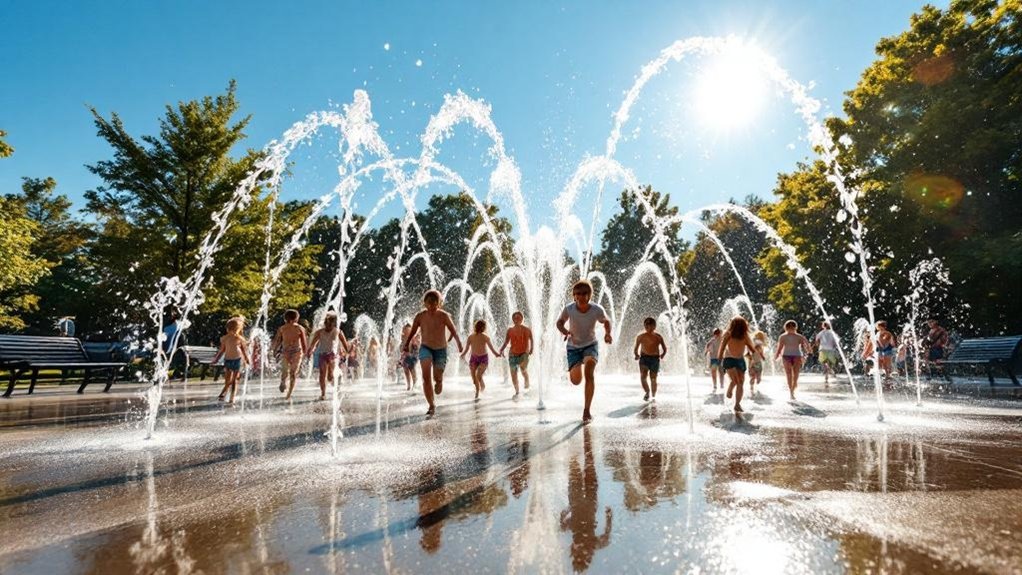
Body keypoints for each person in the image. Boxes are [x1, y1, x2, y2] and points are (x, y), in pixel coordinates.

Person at [556, 279, 612, 424]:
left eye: (585, 294)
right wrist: (565, 331)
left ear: (590, 295)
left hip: (590, 345)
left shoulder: (596, 309)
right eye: (578, 294)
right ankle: (577, 365)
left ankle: (587, 410)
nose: (581, 296)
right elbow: (559, 322)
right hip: (573, 347)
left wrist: (607, 334)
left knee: (589, 373)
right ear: (574, 296)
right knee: (576, 381)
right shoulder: (569, 309)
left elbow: (605, 321)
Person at [404, 290, 463, 417]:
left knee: (437, 376)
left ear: (439, 303)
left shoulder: (444, 315)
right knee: (426, 376)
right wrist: (406, 344)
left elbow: (453, 330)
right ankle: (431, 404)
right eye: (428, 304)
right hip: (425, 348)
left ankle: (439, 381)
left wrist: (459, 343)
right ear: (424, 303)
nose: (431, 307)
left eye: (434, 304)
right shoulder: (420, 316)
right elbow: (413, 331)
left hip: (441, 350)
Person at [307, 312, 350, 401]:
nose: (329, 326)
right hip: (322, 355)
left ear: (334, 323)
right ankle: (323, 394)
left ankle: (338, 385)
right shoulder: (319, 332)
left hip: (333, 355)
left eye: (331, 324)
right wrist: (310, 351)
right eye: (327, 324)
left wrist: (347, 351)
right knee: (322, 374)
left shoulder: (338, 331)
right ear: (325, 323)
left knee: (331, 376)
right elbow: (313, 343)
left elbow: (344, 342)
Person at [718, 316, 757, 413]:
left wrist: (755, 358)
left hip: (740, 360)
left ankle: (737, 404)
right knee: (737, 380)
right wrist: (720, 360)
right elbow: (722, 347)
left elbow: (752, 349)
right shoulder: (728, 335)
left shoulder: (745, 336)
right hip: (729, 359)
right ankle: (731, 388)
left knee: (741, 382)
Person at [271, 309, 308, 400]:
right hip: (286, 352)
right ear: (296, 318)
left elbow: (303, 341)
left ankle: (289, 393)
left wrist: (305, 352)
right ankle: (283, 381)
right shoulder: (283, 328)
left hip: (297, 352)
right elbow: (278, 340)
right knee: (286, 372)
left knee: (292, 372)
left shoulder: (299, 328)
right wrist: (274, 350)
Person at [461, 319, 502, 400]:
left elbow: (491, 348)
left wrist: (496, 354)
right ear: (475, 326)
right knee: (474, 378)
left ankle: (478, 392)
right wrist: (463, 354)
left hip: (483, 358)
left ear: (484, 327)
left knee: (478, 375)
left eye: (481, 326)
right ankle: (479, 389)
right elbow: (466, 348)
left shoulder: (485, 337)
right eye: (478, 326)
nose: (480, 328)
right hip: (474, 358)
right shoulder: (471, 337)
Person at [213, 317, 250, 403]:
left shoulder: (235, 338)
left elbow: (222, 350)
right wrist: (246, 359)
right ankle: (228, 395)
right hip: (232, 360)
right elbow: (222, 350)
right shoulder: (230, 338)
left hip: (233, 360)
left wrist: (216, 359)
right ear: (238, 328)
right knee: (232, 380)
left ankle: (229, 396)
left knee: (231, 380)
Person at [498, 311, 534, 399]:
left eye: (518, 318)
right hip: (513, 355)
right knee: (513, 373)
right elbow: (506, 341)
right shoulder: (510, 330)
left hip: (524, 354)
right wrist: (501, 349)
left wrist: (532, 348)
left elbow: (531, 339)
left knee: (522, 368)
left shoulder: (526, 329)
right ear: (513, 319)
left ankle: (526, 379)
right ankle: (517, 391)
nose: (516, 319)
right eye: (515, 318)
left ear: (522, 319)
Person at [775, 320, 812, 401]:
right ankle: (791, 392)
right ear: (786, 327)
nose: (791, 328)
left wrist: (808, 352)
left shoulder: (799, 336)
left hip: (796, 356)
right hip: (786, 356)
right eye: (789, 327)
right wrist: (776, 355)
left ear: (795, 327)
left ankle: (793, 387)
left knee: (795, 374)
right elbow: (779, 347)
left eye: (792, 327)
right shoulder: (783, 337)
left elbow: (806, 345)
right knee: (788, 374)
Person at [632, 317, 667, 402]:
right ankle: (647, 392)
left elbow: (664, 348)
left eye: (651, 326)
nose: (649, 328)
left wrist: (662, 354)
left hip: (655, 359)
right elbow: (636, 348)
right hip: (644, 358)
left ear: (655, 326)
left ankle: (654, 395)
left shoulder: (658, 337)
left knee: (653, 378)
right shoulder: (640, 337)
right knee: (643, 376)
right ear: (644, 327)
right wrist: (636, 354)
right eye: (647, 327)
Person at [814, 321, 841, 386]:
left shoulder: (821, 332)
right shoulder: (832, 333)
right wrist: (835, 346)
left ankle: (826, 376)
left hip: (822, 349)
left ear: (823, 326)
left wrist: (818, 345)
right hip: (831, 350)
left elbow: (816, 340)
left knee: (824, 362)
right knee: (830, 363)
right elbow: (837, 341)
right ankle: (831, 371)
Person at [399, 323, 421, 391]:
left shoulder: (413, 337)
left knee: (412, 369)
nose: (406, 332)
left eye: (408, 330)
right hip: (405, 356)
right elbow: (401, 348)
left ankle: (414, 383)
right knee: (406, 370)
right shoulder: (402, 338)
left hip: (412, 356)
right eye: (405, 330)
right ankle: (408, 384)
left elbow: (417, 347)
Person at [747, 331, 767, 396]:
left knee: (754, 377)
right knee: (755, 377)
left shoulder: (755, 343)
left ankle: (752, 387)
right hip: (755, 363)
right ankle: (752, 388)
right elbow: (758, 351)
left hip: (753, 362)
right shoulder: (756, 343)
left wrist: (762, 356)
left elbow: (760, 352)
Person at [705, 328, 723, 393]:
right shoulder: (713, 340)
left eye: (717, 334)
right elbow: (707, 346)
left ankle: (721, 385)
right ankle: (716, 385)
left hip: (719, 358)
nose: (716, 336)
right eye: (715, 334)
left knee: (719, 372)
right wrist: (706, 352)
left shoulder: (722, 340)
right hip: (715, 358)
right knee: (715, 372)